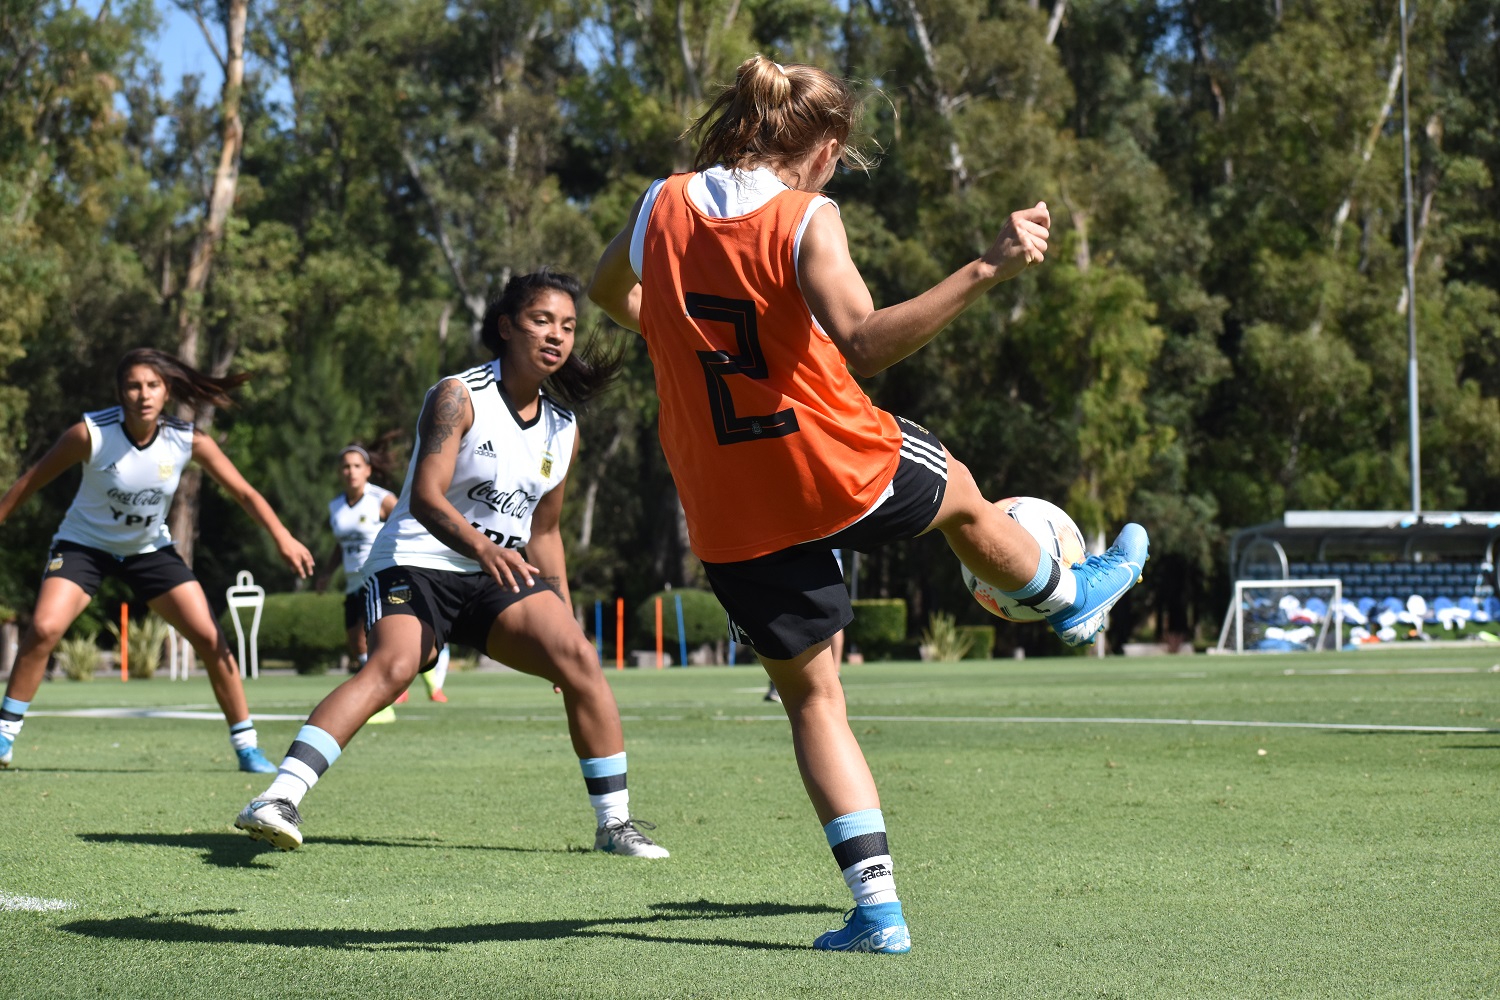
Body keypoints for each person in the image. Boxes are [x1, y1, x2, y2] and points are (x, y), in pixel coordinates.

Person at [589, 56, 1148, 951]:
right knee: (960, 491)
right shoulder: (807, 217)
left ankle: (879, 912)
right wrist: (987, 266)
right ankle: (1064, 594)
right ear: (828, 145)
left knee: (816, 703)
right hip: (829, 463)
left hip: (728, 500)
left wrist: (678, 331)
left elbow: (608, 293)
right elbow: (863, 342)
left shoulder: (660, 201)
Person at [235, 269, 668, 859]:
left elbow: (544, 532)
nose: (557, 336)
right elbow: (426, 499)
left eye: (567, 326)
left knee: (581, 660)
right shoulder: (458, 395)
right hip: (415, 561)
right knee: (392, 667)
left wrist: (561, 620)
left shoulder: (563, 429)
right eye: (542, 321)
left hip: (497, 576)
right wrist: (484, 548)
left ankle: (614, 825)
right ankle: (277, 798)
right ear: (506, 327)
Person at [0, 348, 316, 772]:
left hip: (149, 550)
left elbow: (244, 492)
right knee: (43, 628)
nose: (143, 394)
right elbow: (29, 482)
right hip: (84, 546)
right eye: (133, 385)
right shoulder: (90, 434)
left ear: (166, 392)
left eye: (153, 385)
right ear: (120, 392)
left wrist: (283, 537)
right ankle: (4, 736)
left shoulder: (186, 440)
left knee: (209, 638)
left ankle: (247, 748)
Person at [315, 444, 449, 720]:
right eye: (345, 466)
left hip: (381, 575)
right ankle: (407, 686)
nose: (350, 471)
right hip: (353, 582)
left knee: (377, 641)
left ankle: (385, 702)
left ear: (368, 470)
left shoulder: (381, 499)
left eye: (356, 466)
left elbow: (410, 523)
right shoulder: (336, 506)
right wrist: (327, 573)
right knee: (355, 643)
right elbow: (340, 546)